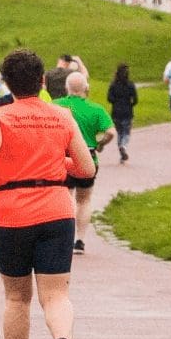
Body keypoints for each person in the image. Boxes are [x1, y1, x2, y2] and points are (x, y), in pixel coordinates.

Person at [0, 49, 95, 339]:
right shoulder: (63, 116)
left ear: (8, 84)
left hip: (12, 212)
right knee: (56, 294)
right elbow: (86, 169)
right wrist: (57, 164)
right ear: (42, 81)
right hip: (56, 209)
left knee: (16, 297)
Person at [54, 72, 116, 254]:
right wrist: (100, 144)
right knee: (84, 200)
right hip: (88, 157)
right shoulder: (96, 109)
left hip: (63, 157)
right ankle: (80, 240)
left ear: (67, 88)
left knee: (65, 197)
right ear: (86, 88)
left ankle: (63, 238)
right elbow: (111, 132)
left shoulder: (56, 106)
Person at [106, 63, 138, 164]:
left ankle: (121, 150)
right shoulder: (130, 85)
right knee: (126, 132)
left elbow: (109, 98)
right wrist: (130, 104)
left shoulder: (113, 85)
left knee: (119, 132)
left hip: (116, 112)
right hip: (127, 111)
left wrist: (116, 102)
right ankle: (123, 146)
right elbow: (135, 99)